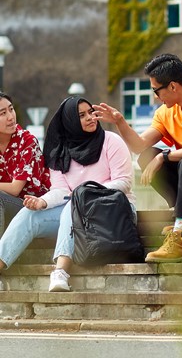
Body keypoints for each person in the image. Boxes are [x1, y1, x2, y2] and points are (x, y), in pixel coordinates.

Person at [93, 53, 182, 263]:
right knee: (148, 157)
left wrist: (166, 156)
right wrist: (120, 122)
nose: (156, 97)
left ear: (173, 87)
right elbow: (139, 146)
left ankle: (180, 237)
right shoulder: (166, 113)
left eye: (156, 90)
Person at [0, 97, 136, 291]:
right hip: (75, 216)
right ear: (70, 121)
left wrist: (86, 194)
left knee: (74, 205)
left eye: (91, 112)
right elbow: (61, 191)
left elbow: (124, 182)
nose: (90, 117)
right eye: (82, 115)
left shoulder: (111, 141)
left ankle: (61, 271)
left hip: (113, 211)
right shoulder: (60, 152)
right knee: (30, 214)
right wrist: (42, 202)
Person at [0, 92, 51, 234]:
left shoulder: (27, 141)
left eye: (11, 109)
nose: (10, 117)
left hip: (32, 207)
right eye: (2, 113)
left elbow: (15, 189)